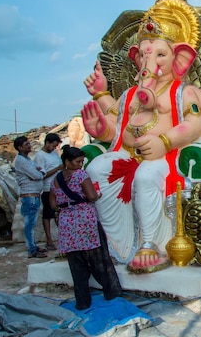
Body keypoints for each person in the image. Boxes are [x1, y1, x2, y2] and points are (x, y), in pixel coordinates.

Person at [81, 0, 201, 272]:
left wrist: (165, 141)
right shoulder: (130, 95)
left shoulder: (183, 93)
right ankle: (117, 242)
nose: (149, 63)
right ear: (136, 57)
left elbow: (197, 123)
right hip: (130, 155)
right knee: (96, 170)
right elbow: (119, 129)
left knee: (145, 176)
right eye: (143, 55)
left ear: (179, 59)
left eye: (159, 55)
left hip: (166, 159)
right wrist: (102, 130)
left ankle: (151, 244)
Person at [50, 145, 122, 311]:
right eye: (78, 161)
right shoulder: (81, 175)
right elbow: (91, 196)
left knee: (76, 264)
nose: (81, 165)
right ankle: (111, 293)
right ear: (67, 161)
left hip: (67, 223)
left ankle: (82, 302)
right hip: (85, 220)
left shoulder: (55, 180)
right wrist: (97, 195)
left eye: (82, 161)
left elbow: (53, 204)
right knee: (98, 259)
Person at [13, 136, 47, 258]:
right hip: (30, 195)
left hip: (33, 194)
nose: (29, 146)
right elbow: (36, 174)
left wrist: (40, 172)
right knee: (29, 223)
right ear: (20, 147)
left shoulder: (27, 159)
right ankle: (31, 249)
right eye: (26, 144)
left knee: (31, 223)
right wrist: (40, 173)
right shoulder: (21, 161)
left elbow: (39, 171)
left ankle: (32, 246)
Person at [34, 133, 63, 251]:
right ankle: (49, 240)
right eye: (53, 146)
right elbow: (41, 175)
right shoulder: (40, 156)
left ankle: (62, 238)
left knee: (59, 213)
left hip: (58, 187)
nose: (54, 148)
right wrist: (57, 169)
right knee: (48, 214)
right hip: (47, 189)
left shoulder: (54, 153)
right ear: (47, 143)